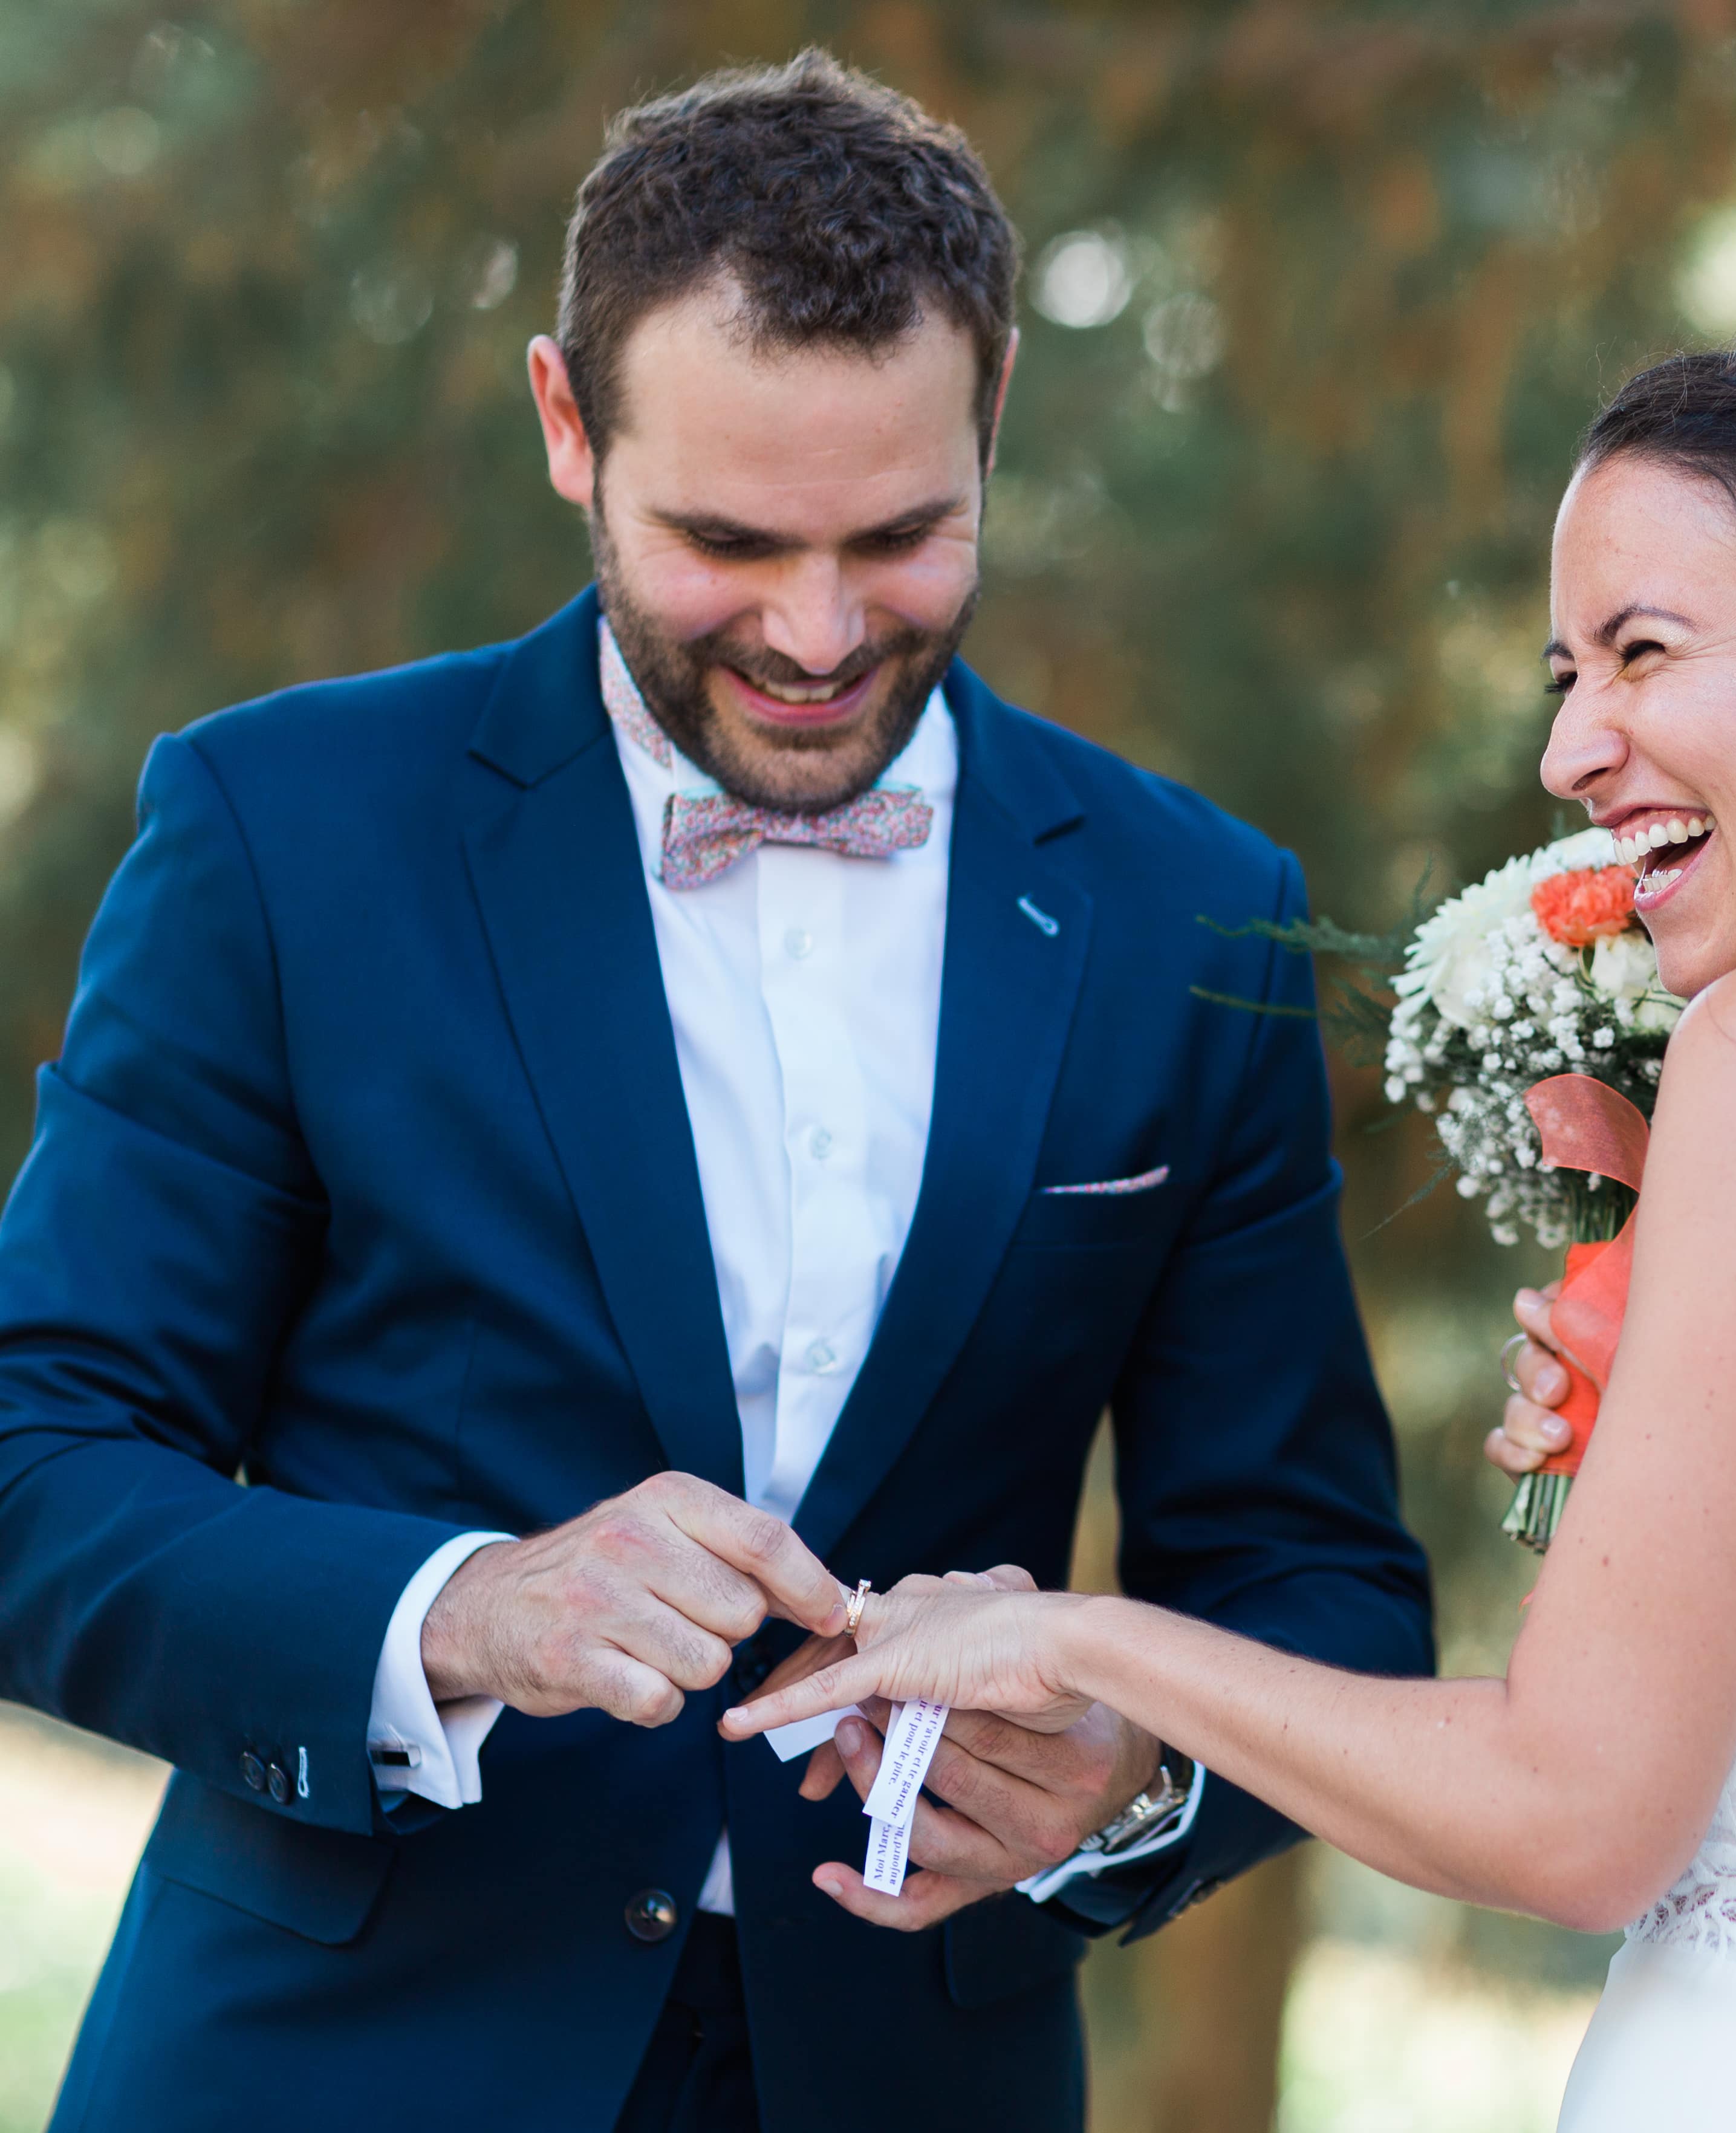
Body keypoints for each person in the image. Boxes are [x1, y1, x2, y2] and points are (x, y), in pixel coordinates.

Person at [0, 51, 1432, 2133]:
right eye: (728, 540)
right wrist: (468, 1610)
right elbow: (35, 1465)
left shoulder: (1193, 914)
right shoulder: (281, 829)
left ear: (997, 414)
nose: (820, 633)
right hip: (331, 2067)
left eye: (904, 536)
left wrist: (1128, 1769)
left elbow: (1318, 1584)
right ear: (568, 427)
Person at [732, 312, 1736, 2131]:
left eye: (1645, 654)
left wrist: (1073, 1641)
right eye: (1567, 674)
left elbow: (1573, 1821)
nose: (1572, 749)